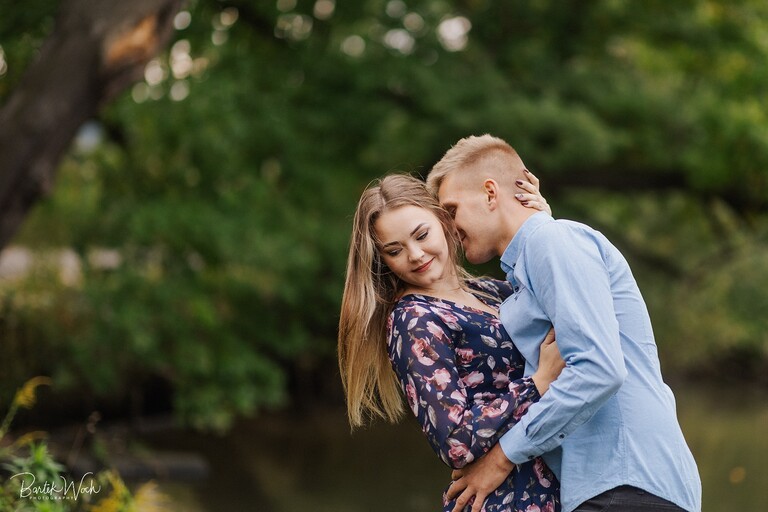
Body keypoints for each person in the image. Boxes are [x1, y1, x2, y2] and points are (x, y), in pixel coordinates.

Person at [427, 134, 702, 512]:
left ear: (491, 193)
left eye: (452, 210)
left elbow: (599, 370)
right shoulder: (533, 263)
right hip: (609, 489)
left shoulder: (553, 242)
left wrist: (504, 455)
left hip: (627, 484)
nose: (447, 228)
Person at [337, 173, 565, 512]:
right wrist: (538, 384)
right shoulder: (415, 318)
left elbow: (558, 300)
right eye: (395, 250)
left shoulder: (489, 291)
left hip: (553, 484)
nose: (415, 255)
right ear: (382, 259)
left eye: (421, 234)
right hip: (501, 500)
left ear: (443, 221)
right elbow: (456, 441)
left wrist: (542, 225)